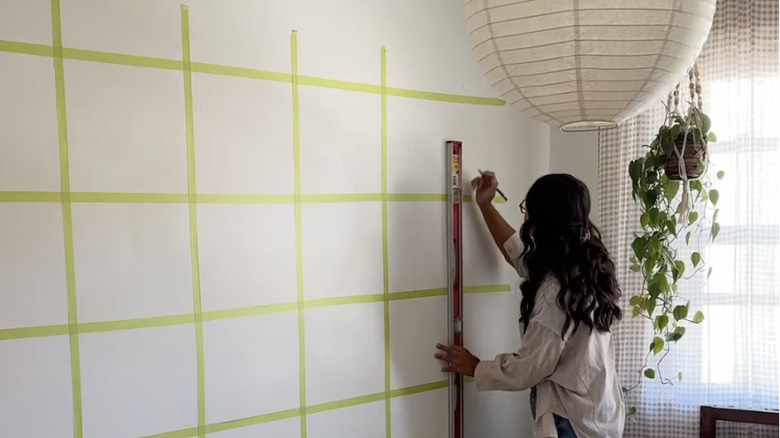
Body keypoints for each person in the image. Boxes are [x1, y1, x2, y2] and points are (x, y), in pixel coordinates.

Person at [434, 172, 625, 438]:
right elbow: (520, 255)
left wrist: (476, 366)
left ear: (541, 220)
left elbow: (529, 367)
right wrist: (486, 206)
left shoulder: (556, 293)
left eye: (527, 209)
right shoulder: (584, 266)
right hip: (599, 413)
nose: (524, 216)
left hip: (570, 422)